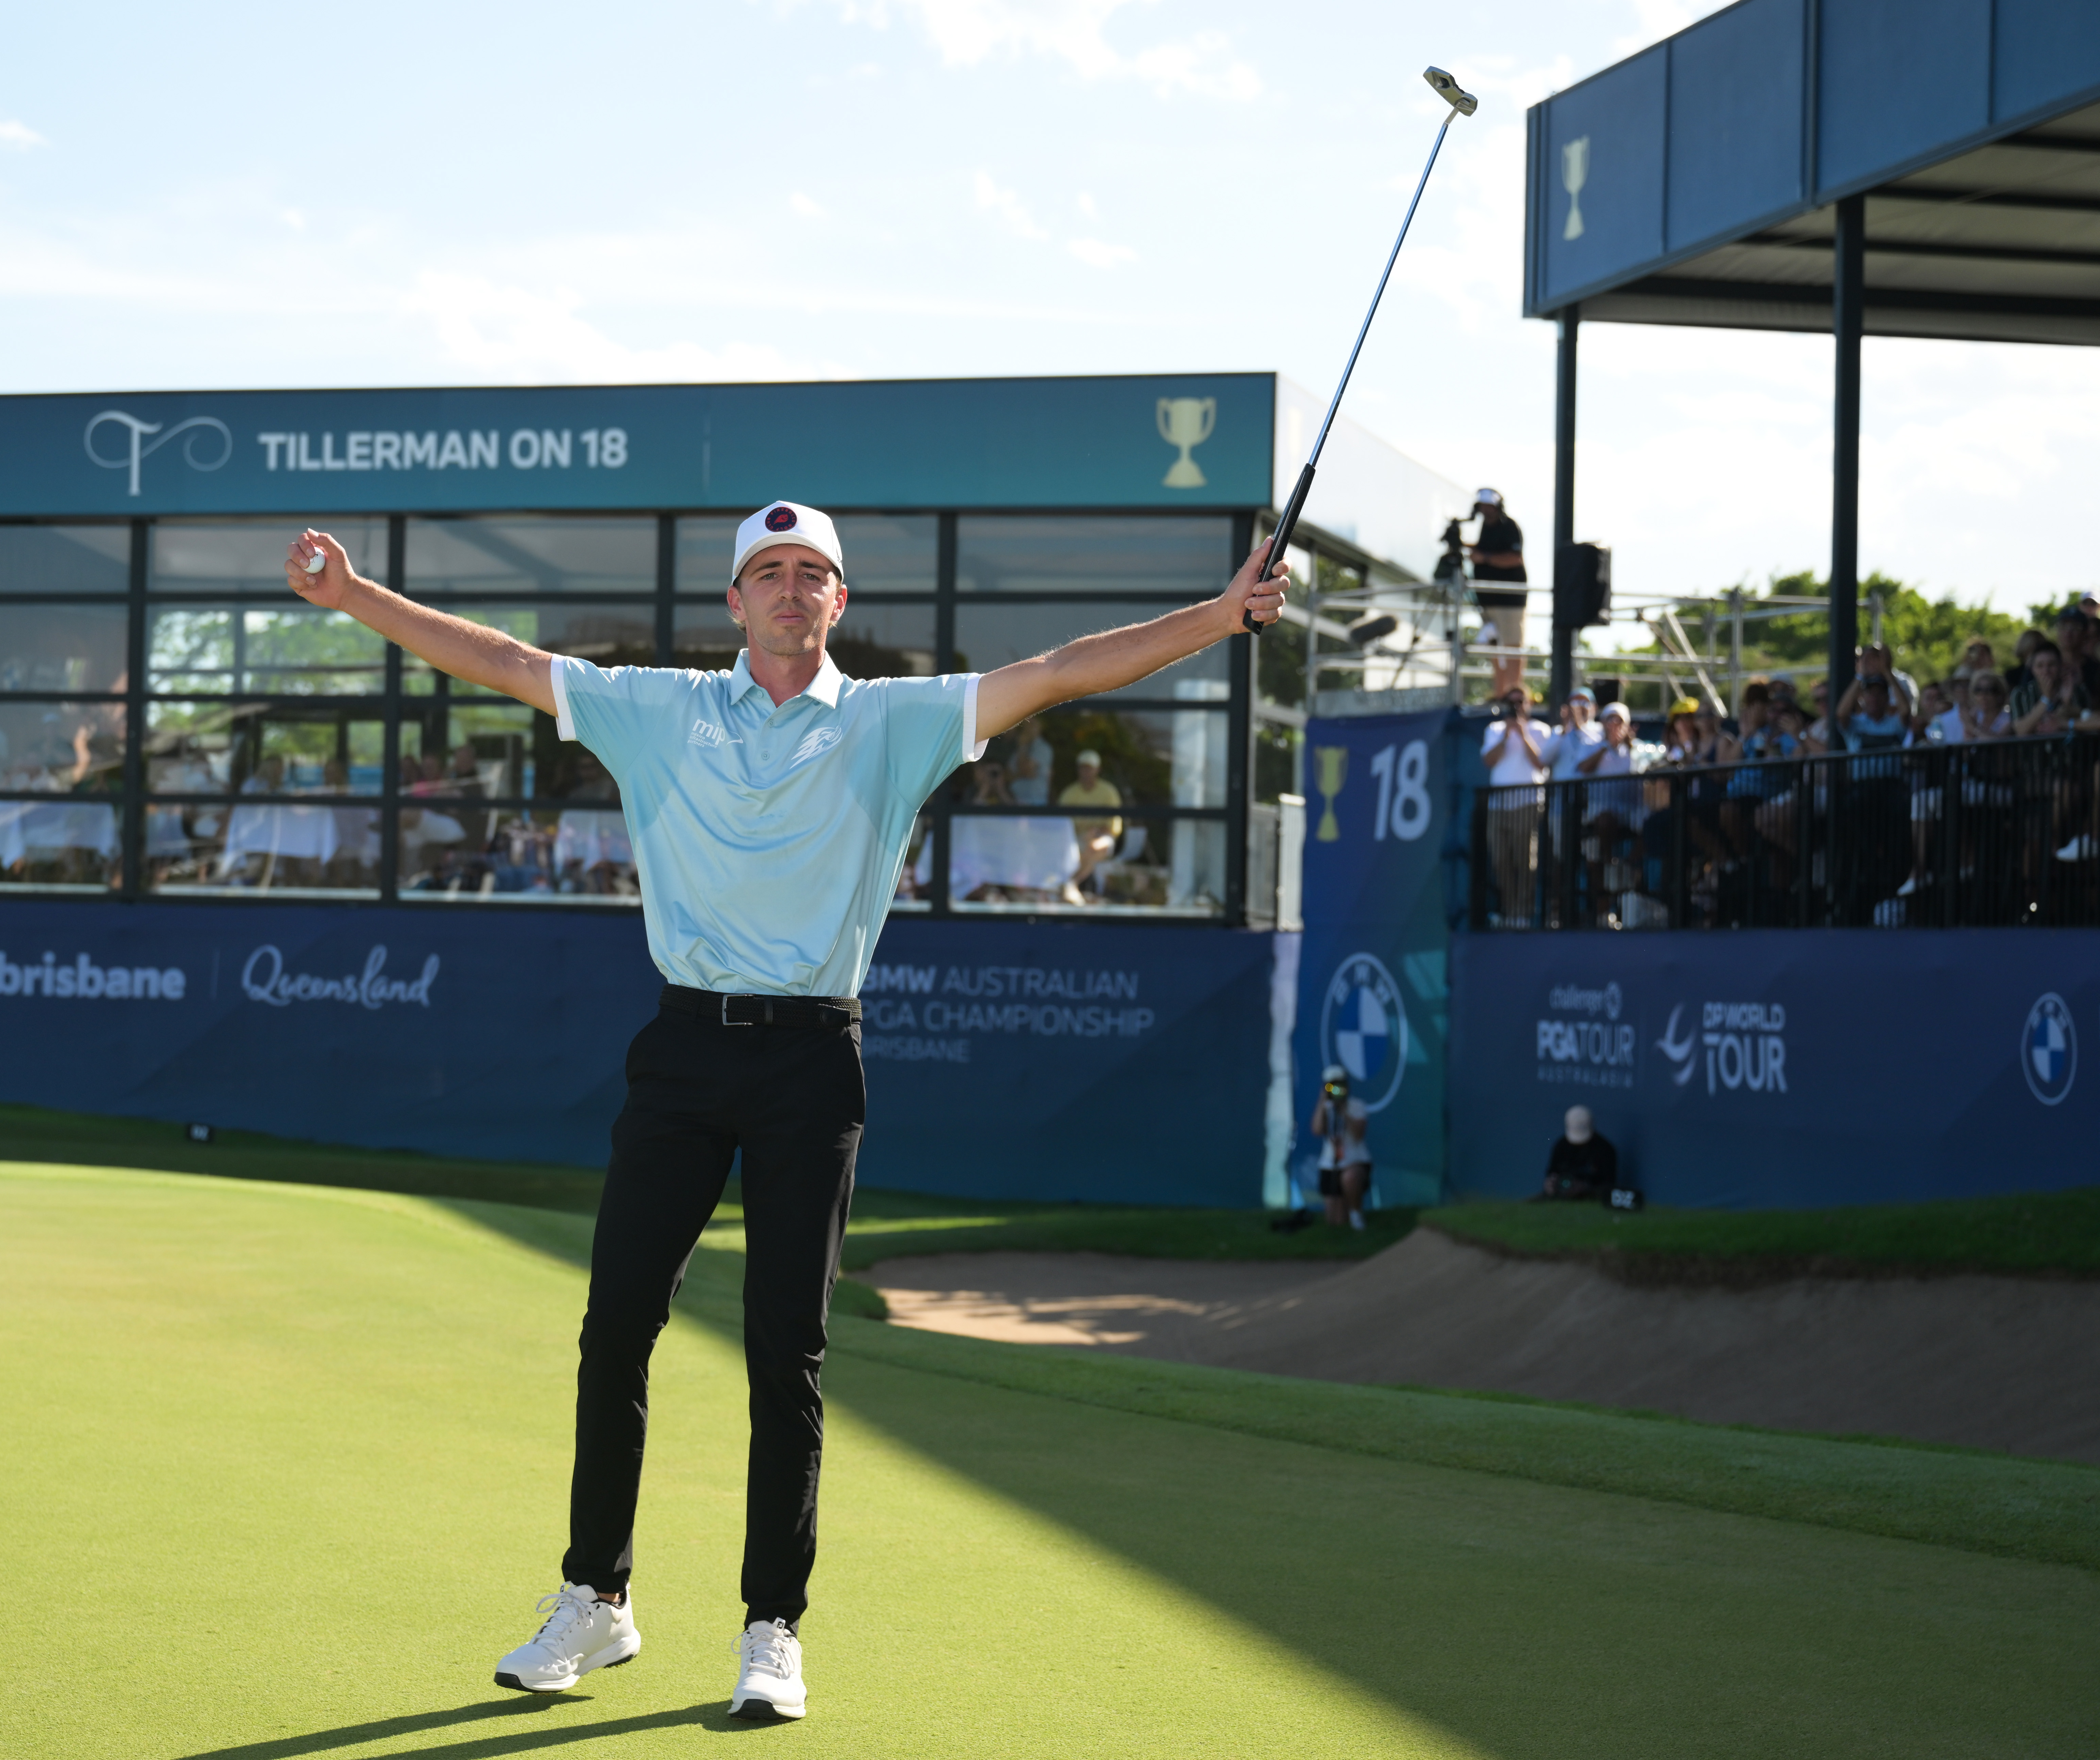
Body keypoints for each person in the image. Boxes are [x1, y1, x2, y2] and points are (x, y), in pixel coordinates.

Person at [284, 499, 1284, 1723]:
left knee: (784, 1353)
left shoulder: (890, 721)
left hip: (811, 1058)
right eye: (770, 572)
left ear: (839, 602)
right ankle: (595, 1599)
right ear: (735, 602)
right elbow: (498, 657)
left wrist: (1221, 616)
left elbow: (1060, 670)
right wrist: (353, 600)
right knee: (615, 1331)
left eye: (814, 572)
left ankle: (772, 1626)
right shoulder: (659, 708)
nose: (792, 589)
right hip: (682, 1051)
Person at [1480, 685, 1548, 924]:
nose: (1517, 707)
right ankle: (1509, 913)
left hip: (1527, 804)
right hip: (1499, 805)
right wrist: (1507, 736)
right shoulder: (1494, 730)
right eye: (1512, 703)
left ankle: (1524, 913)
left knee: (1525, 861)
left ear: (1530, 705)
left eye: (1522, 702)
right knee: (1500, 860)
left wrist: (1523, 734)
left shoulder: (1541, 730)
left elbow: (1542, 763)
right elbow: (1488, 761)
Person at [1465, 488, 1528, 694]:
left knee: (1511, 647)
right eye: (1483, 507)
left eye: (1489, 506)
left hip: (1509, 601)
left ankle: (1514, 695)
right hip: (1488, 601)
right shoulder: (1485, 527)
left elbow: (1514, 558)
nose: (1486, 511)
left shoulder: (1510, 527)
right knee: (1494, 647)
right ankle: (1500, 694)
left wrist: (1484, 558)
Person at [1057, 748, 1124, 904]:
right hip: (1075, 839)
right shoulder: (1070, 793)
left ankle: (1071, 884)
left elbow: (1112, 825)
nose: (1086, 772)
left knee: (1096, 847)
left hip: (1101, 838)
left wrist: (1095, 833)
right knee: (1079, 849)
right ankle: (1071, 888)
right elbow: (1061, 824)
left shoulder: (1108, 792)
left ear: (1098, 770)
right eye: (1083, 768)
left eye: (1090, 768)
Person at [1309, 1065, 1371, 1229]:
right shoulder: (1326, 1108)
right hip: (1331, 1164)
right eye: (1331, 1087)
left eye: (1339, 1086)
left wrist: (1344, 1110)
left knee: (1350, 1178)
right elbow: (1317, 1130)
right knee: (1335, 1221)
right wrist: (1323, 1101)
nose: (1336, 1090)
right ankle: (1345, 1212)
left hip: (1354, 1162)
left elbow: (1359, 1135)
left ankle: (1357, 1216)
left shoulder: (1356, 1105)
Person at [1537, 1107, 1619, 1201]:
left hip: (1592, 1197)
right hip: (1561, 1197)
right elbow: (1552, 1173)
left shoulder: (1605, 1149)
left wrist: (1585, 1188)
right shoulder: (1561, 1146)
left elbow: (1610, 1185)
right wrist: (1551, 1185)